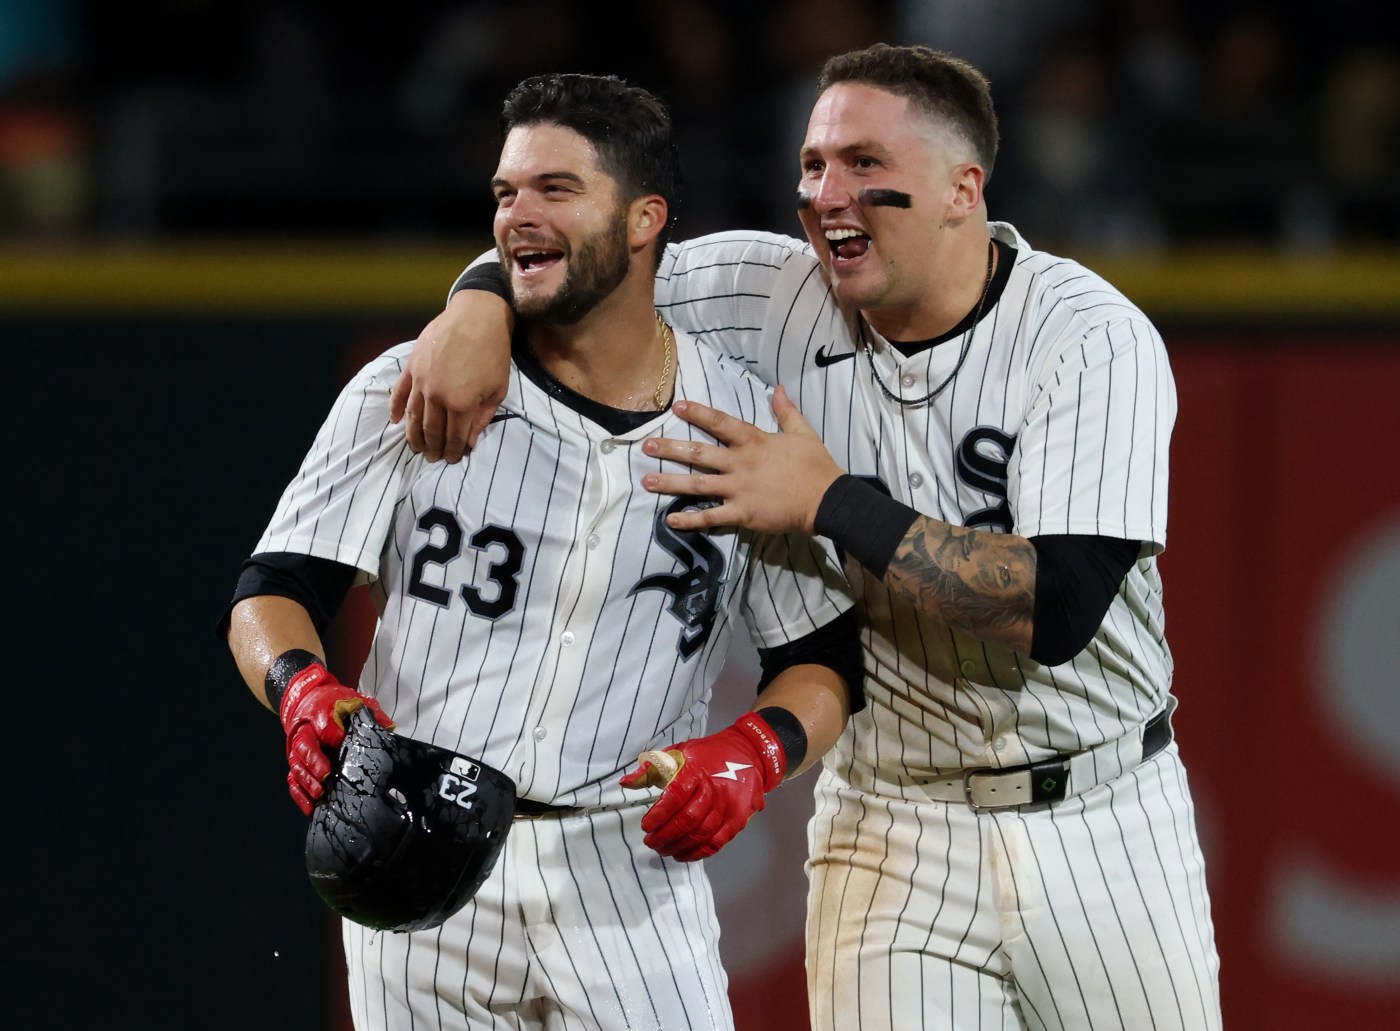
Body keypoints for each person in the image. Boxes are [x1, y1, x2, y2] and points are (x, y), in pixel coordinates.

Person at [391, 44, 1223, 1031]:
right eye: (814, 163)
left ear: (962, 188)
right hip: (891, 818)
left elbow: (1055, 607)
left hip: (1100, 812)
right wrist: (476, 300)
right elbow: (584, 258)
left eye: (866, 165)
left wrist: (829, 500)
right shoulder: (765, 294)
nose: (827, 192)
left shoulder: (1084, 336)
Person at [221, 72, 862, 1030]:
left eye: (556, 189)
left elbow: (822, 660)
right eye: (505, 193)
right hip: (419, 860)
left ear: (645, 219)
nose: (519, 215)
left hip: (630, 874)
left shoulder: (737, 422)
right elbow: (273, 586)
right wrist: (299, 686)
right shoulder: (416, 382)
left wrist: (755, 751)